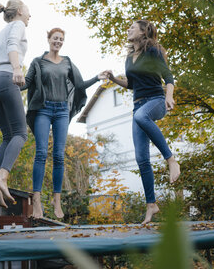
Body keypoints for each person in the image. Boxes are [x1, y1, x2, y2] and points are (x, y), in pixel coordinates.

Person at [22, 27, 107, 219]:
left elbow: (79, 85)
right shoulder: (38, 62)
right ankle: (36, 199)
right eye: (55, 38)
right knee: (41, 152)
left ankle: (56, 200)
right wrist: (11, 80)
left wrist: (97, 78)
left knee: (59, 156)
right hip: (43, 109)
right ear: (49, 39)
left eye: (61, 39)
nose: (58, 42)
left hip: (61, 111)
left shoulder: (67, 62)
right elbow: (26, 83)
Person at [106, 19, 180, 224]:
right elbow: (131, 84)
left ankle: (171, 160)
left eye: (132, 26)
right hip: (138, 105)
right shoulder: (129, 58)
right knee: (141, 158)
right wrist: (113, 78)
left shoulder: (153, 51)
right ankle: (151, 205)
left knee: (140, 117)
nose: (128, 28)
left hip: (156, 101)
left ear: (143, 31)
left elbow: (167, 75)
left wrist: (169, 96)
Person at [0, 0, 31, 208]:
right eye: (29, 11)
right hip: (6, 77)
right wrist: (16, 68)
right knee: (21, 134)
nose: (30, 16)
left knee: (8, 136)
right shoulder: (18, 25)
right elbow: (13, 45)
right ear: (20, 11)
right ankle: (2, 177)